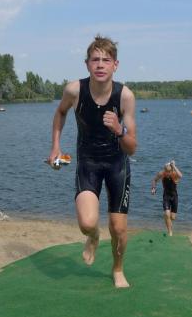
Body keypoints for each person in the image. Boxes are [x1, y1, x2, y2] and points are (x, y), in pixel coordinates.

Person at [48, 35, 137, 288]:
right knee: (87, 223)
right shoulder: (74, 90)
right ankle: (94, 236)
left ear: (115, 65)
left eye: (106, 60)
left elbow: (132, 148)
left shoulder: (125, 96)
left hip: (117, 165)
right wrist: (56, 146)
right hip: (88, 163)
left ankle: (117, 269)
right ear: (87, 64)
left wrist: (119, 129)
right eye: (95, 59)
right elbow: (60, 112)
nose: (100, 64)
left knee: (118, 228)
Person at [151, 160, 183, 236]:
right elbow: (154, 180)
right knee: (167, 214)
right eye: (166, 171)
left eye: (169, 171)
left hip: (174, 196)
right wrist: (153, 188)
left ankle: (166, 219)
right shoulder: (162, 174)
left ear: (171, 170)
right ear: (164, 169)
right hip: (166, 196)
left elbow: (180, 176)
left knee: (173, 217)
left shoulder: (174, 174)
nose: (167, 173)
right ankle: (170, 232)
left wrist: (174, 166)